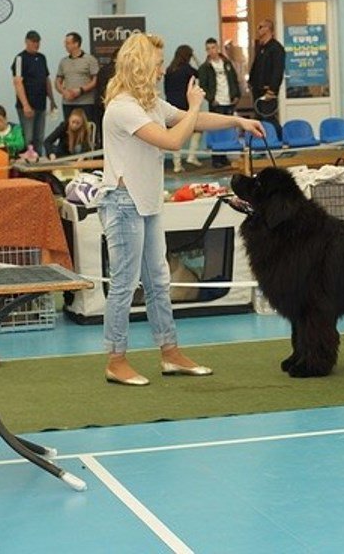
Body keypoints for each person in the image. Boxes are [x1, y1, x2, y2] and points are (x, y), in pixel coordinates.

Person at [98, 32, 264, 386]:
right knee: (125, 285)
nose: (161, 70)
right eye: (157, 65)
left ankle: (170, 352)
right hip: (123, 204)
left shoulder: (151, 104)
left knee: (158, 281)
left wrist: (237, 121)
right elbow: (175, 139)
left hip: (147, 201)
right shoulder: (123, 107)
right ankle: (116, 360)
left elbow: (194, 122)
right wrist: (193, 106)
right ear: (142, 67)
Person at [11, 30, 57, 155]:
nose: (36, 44)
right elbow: (18, 83)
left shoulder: (42, 58)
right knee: (28, 138)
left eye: (38, 42)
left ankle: (38, 168)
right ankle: (26, 164)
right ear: (27, 42)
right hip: (27, 106)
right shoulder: (20, 58)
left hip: (41, 104)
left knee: (39, 138)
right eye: (34, 42)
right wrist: (25, 105)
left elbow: (46, 80)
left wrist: (52, 101)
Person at [198, 37, 241, 168]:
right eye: (208, 49)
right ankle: (216, 158)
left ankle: (225, 157)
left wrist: (236, 95)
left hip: (229, 101)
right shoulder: (205, 67)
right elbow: (203, 86)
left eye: (213, 48)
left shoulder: (227, 63)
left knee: (227, 129)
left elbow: (234, 80)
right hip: (216, 103)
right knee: (216, 130)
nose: (211, 51)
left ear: (217, 48)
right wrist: (211, 99)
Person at [164, 44, 202, 172]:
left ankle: (177, 164)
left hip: (171, 104)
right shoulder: (188, 69)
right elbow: (200, 72)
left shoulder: (169, 70)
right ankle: (191, 156)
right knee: (198, 130)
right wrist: (196, 59)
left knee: (175, 133)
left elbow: (166, 89)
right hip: (185, 104)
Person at [248, 18, 285, 137]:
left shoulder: (276, 48)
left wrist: (272, 90)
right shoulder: (261, 47)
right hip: (257, 90)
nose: (258, 30)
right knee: (259, 119)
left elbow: (278, 71)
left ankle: (281, 140)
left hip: (268, 91)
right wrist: (251, 82)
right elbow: (256, 67)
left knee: (268, 118)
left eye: (260, 27)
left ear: (267, 29)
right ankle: (263, 146)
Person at [56, 32, 100, 123]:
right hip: (68, 103)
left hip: (86, 103)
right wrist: (63, 92)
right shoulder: (63, 61)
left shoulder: (90, 60)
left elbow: (95, 81)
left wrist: (80, 90)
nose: (65, 45)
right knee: (69, 130)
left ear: (76, 44)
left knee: (87, 130)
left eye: (68, 43)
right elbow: (58, 81)